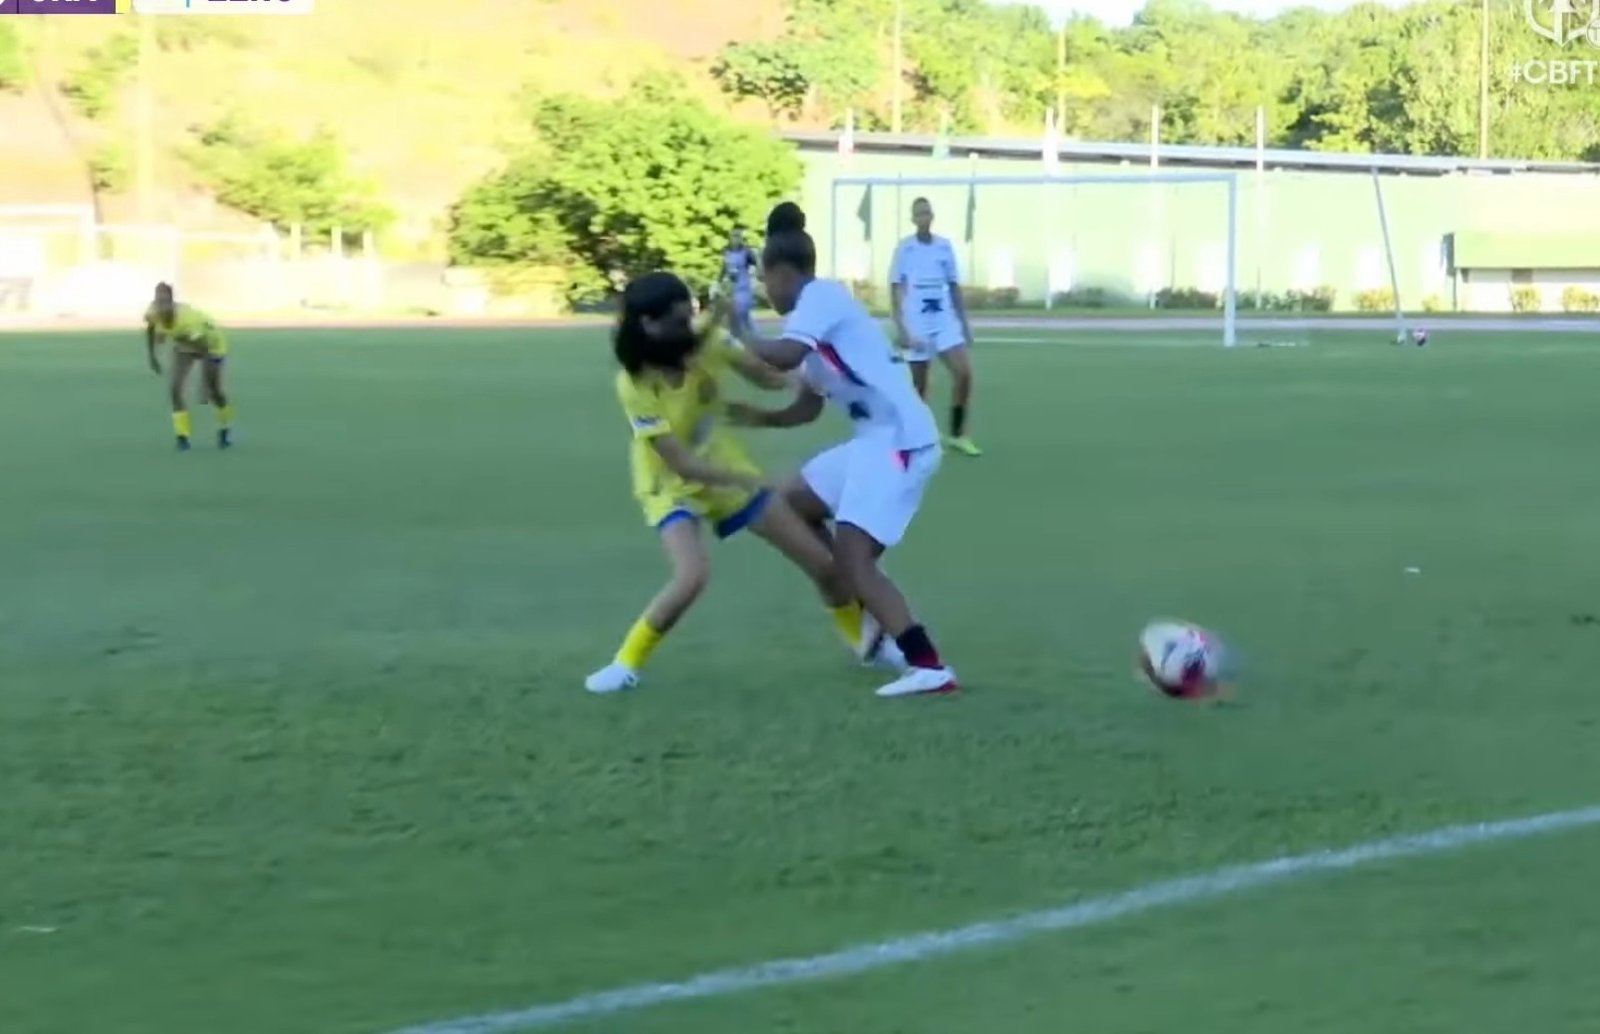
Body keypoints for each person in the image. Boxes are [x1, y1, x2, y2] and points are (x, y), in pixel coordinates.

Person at [585, 271, 893, 695]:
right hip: (669, 484)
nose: (689, 328)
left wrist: (800, 382)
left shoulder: (708, 342)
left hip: (727, 471)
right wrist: (746, 477)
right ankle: (625, 664)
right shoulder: (634, 384)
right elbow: (682, 464)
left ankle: (867, 647)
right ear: (647, 325)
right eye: (677, 322)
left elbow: (764, 374)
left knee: (823, 565)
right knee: (691, 576)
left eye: (690, 316)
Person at [729, 214, 958, 699]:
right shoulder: (811, 321)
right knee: (788, 503)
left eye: (766, 278)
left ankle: (928, 665)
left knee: (856, 560)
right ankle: (873, 626)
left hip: (900, 441)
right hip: (873, 441)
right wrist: (758, 418)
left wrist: (742, 331)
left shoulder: (822, 298)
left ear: (784, 273)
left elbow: (784, 355)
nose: (766, 288)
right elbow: (808, 408)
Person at [889, 197, 980, 457]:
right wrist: (902, 328)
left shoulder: (944, 247)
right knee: (919, 386)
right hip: (917, 321)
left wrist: (964, 323)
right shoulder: (905, 249)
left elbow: (953, 286)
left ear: (932, 216)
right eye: (919, 213)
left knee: (964, 373)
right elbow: (895, 289)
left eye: (927, 212)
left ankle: (958, 434)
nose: (923, 217)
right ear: (913, 219)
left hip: (943, 320)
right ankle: (915, 437)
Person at [144, 282, 234, 451]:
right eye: (158, 300)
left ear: (172, 302)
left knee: (214, 392)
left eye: (164, 301)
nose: (161, 305)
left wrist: (204, 386)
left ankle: (225, 428)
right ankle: (182, 437)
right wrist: (152, 357)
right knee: (175, 389)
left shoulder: (188, 320)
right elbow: (150, 329)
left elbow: (204, 347)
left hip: (212, 345)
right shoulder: (153, 311)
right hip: (184, 343)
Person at [721, 228, 760, 339]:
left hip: (744, 287)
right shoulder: (726, 251)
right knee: (742, 315)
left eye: (738, 236)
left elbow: (757, 264)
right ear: (730, 238)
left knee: (740, 312)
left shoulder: (746, 252)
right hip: (732, 288)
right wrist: (718, 282)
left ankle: (735, 336)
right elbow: (724, 268)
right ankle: (754, 335)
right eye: (733, 236)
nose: (736, 239)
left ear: (741, 238)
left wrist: (754, 273)